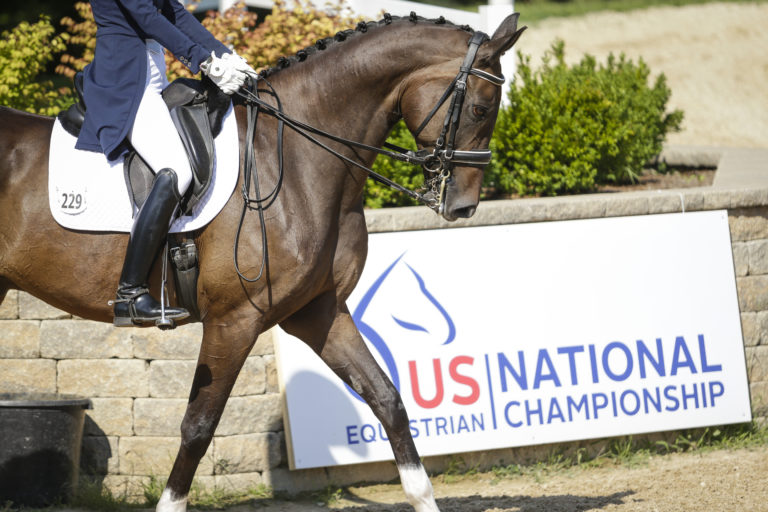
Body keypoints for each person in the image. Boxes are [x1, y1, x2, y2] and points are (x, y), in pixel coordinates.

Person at [75, 0, 257, 327]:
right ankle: (130, 293)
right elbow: (146, 16)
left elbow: (174, 12)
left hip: (152, 78)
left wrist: (223, 54)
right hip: (124, 82)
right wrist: (205, 61)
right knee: (176, 168)